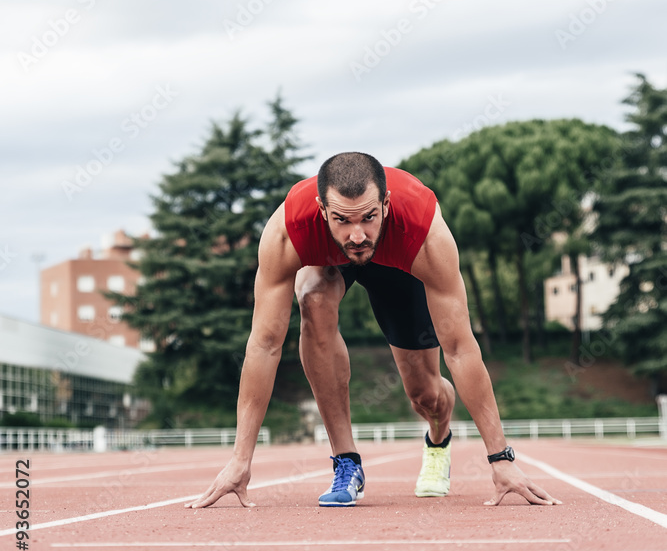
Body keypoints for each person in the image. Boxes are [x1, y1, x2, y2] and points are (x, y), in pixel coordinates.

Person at [187, 152, 560, 509]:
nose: (357, 235)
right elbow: (265, 344)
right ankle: (346, 463)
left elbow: (460, 348)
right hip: (328, 262)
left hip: (399, 263)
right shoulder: (287, 231)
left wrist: (501, 458)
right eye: (342, 220)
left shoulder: (424, 232)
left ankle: (437, 438)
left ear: (385, 204)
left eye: (367, 217)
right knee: (313, 300)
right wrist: (240, 459)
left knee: (425, 394)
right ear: (321, 211)